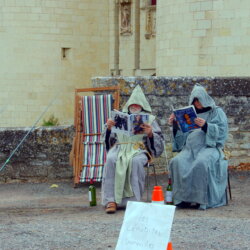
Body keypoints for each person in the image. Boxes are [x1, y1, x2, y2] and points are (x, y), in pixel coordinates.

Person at [101, 85, 164, 213]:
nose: (134, 106)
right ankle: (111, 200)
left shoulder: (150, 119)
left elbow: (159, 141)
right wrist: (108, 128)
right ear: (128, 105)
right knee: (111, 159)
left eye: (137, 105)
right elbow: (109, 139)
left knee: (135, 162)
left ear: (142, 106)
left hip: (139, 149)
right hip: (120, 147)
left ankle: (133, 201)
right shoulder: (119, 117)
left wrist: (151, 133)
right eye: (132, 104)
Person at [168, 84, 228, 210]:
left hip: (209, 148)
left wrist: (206, 126)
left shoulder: (216, 112)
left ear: (205, 99)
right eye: (194, 101)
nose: (197, 103)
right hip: (189, 149)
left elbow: (222, 132)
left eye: (199, 100)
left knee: (201, 163)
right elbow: (181, 137)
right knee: (177, 162)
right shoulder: (189, 114)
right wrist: (175, 124)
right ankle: (183, 199)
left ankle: (201, 199)